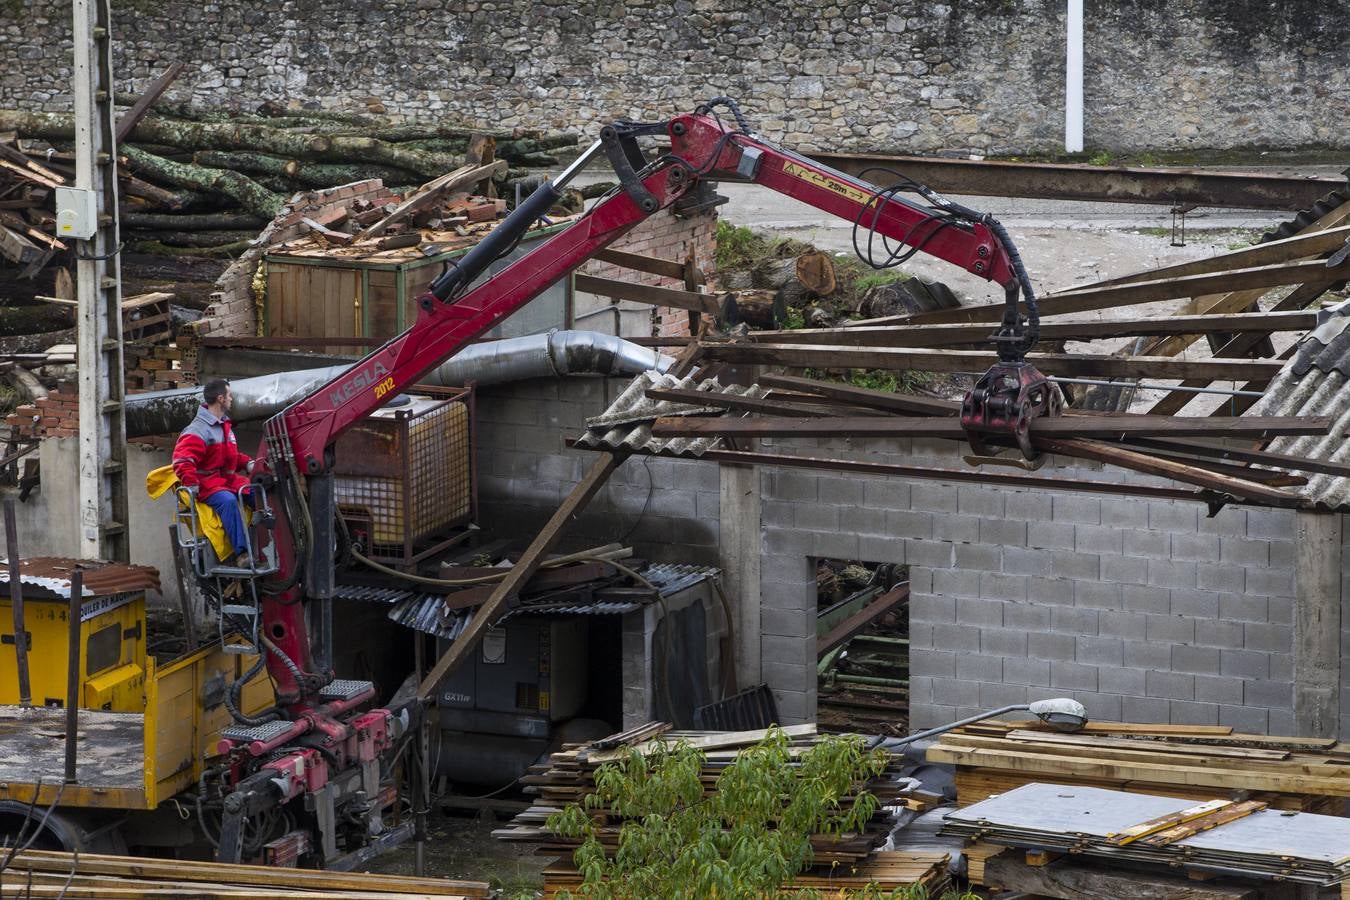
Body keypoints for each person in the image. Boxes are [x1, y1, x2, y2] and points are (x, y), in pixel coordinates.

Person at [172, 379, 255, 567]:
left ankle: (270, 544)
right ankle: (242, 554)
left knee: (256, 492)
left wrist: (249, 463)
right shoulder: (198, 430)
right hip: (207, 485)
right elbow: (182, 460)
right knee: (228, 501)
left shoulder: (223, 425)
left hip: (226, 481)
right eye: (229, 395)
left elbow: (230, 454)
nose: (231, 399)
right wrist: (192, 485)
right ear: (220, 398)